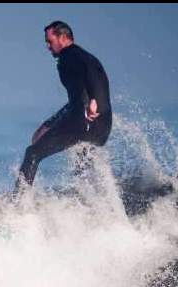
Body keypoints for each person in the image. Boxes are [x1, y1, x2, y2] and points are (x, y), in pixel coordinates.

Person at [13, 21, 112, 199]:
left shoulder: (70, 56)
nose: (47, 47)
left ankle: (15, 207)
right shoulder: (86, 57)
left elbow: (92, 76)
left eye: (50, 41)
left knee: (32, 153)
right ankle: (94, 211)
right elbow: (77, 100)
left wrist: (94, 101)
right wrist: (49, 124)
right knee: (82, 169)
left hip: (83, 120)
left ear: (63, 37)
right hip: (102, 127)